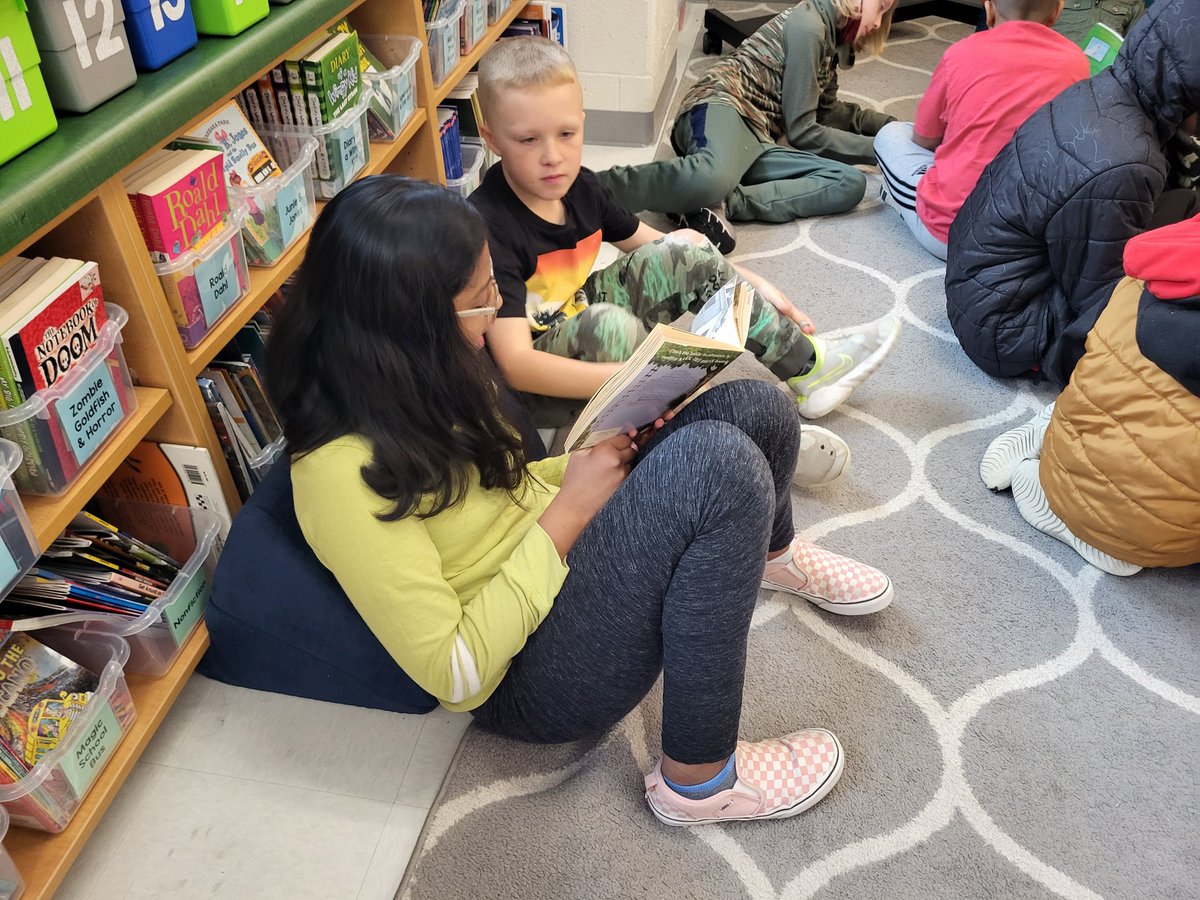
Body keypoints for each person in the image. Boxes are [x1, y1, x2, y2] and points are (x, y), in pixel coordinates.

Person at [266, 175, 897, 827]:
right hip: (527, 674)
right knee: (721, 467)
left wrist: (586, 466)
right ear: (414, 325)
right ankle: (699, 781)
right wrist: (569, 510)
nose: (498, 311)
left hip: (553, 555)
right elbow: (457, 672)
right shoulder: (336, 477)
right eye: (481, 301)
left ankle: (770, 556)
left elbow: (503, 496)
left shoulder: (416, 376)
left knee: (757, 408)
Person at [472, 36, 901, 450]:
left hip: (574, 321)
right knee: (610, 327)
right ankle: (712, 436)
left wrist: (750, 282)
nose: (552, 156)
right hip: (533, 391)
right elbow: (516, 365)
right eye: (528, 140)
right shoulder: (486, 228)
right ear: (491, 139)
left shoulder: (580, 187)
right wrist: (635, 379)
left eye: (566, 134)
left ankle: (810, 368)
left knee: (689, 249)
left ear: (582, 122)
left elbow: (667, 248)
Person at [943, 0, 1200, 387]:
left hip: (980, 281)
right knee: (1176, 324)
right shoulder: (1128, 163)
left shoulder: (1101, 91)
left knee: (1185, 207)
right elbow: (1100, 303)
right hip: (1009, 331)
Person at [978, 214, 1200, 576]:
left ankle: (1053, 440)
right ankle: (1126, 540)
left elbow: (1076, 344)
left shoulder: (1144, 276)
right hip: (1166, 541)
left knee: (1106, 361)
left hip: (1004, 329)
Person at [595, 0, 897, 248]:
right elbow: (804, 131)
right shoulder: (809, 25)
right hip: (723, 103)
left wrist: (891, 128)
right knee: (710, 178)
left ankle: (725, 204)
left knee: (849, 182)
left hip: (758, 137)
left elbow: (826, 113)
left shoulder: (833, 37)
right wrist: (885, 150)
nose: (879, 22)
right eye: (881, 7)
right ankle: (594, 190)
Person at [873, 0, 1089, 260]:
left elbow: (923, 139)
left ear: (989, 9)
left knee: (892, 134)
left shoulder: (959, 53)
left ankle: (910, 203)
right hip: (1026, 245)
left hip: (952, 235)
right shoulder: (1078, 63)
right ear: (1057, 11)